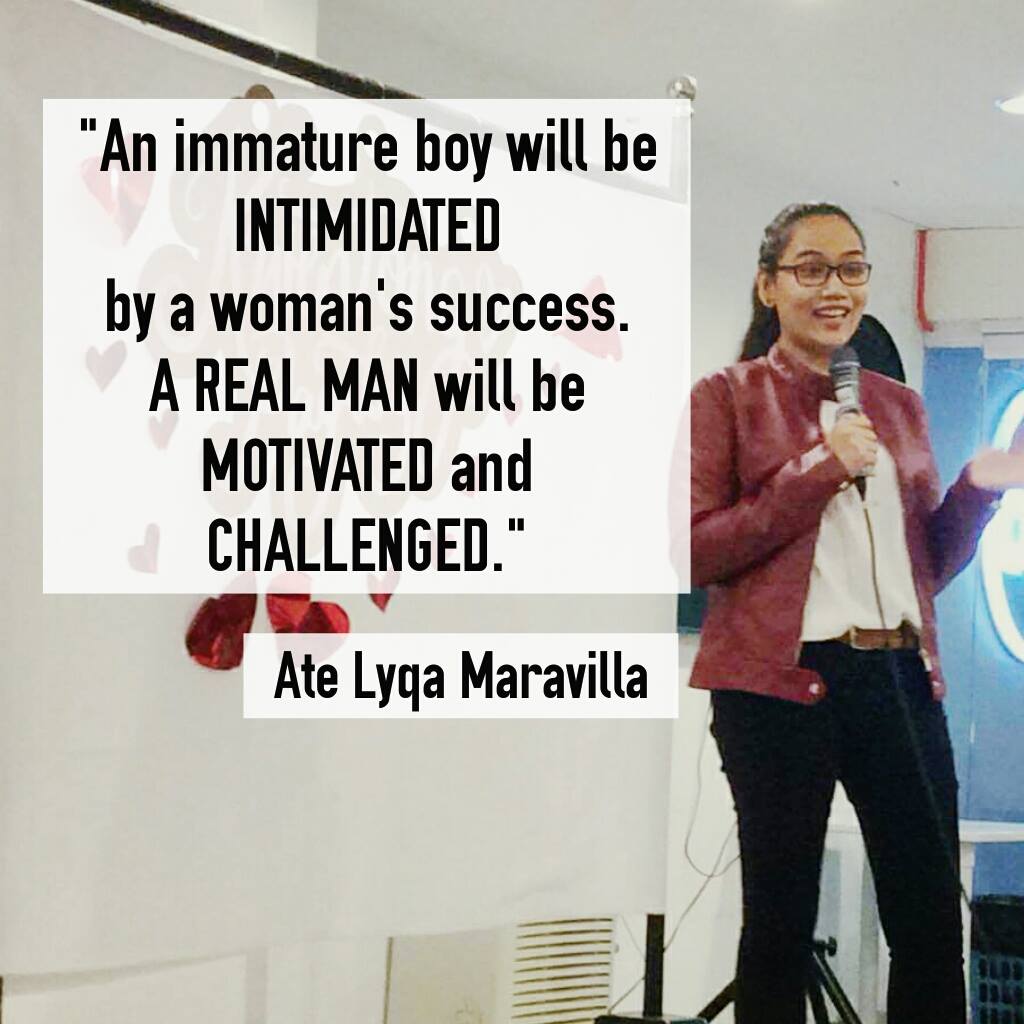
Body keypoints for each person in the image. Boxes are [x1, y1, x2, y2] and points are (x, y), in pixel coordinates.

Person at [681, 202, 1024, 1024]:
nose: (834, 287)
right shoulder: (726, 397)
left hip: (899, 676)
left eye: (852, 268)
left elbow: (922, 568)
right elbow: (694, 552)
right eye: (811, 269)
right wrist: (817, 468)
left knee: (931, 923)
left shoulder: (897, 406)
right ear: (769, 285)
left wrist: (978, 489)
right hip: (779, 687)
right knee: (780, 928)